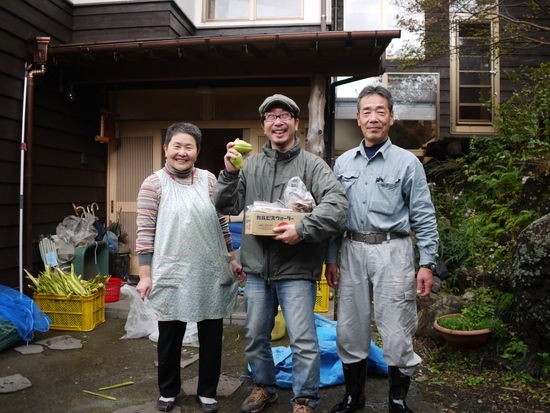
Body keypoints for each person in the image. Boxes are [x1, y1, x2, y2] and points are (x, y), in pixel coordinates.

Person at [214, 94, 348, 413]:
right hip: (258, 270)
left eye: (285, 115)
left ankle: (304, 400)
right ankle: (265, 387)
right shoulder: (251, 166)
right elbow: (225, 205)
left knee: (303, 340)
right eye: (271, 116)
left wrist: (301, 229)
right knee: (255, 335)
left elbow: (338, 206)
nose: (278, 121)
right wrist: (230, 173)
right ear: (264, 125)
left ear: (296, 124)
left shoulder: (313, 165)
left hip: (297, 270)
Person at [325, 85, 439, 413]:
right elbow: (334, 215)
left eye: (380, 111)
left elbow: (423, 213)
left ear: (390, 117)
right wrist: (330, 258)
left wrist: (427, 262)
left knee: (398, 327)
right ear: (358, 118)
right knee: (350, 326)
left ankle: (398, 400)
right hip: (351, 248)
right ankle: (353, 397)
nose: (373, 117)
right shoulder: (343, 162)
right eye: (366, 111)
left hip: (394, 251)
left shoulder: (407, 163)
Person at [135, 122, 242, 413]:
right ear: (166, 149)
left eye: (189, 147)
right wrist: (145, 275)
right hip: (172, 268)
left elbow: (222, 222)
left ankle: (207, 391)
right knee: (170, 335)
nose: (182, 152)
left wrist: (232, 258)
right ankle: (168, 391)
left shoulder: (209, 180)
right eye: (177, 146)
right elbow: (144, 232)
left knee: (211, 333)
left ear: (197, 151)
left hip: (210, 267)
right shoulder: (153, 183)